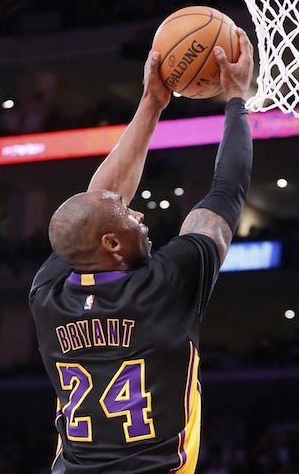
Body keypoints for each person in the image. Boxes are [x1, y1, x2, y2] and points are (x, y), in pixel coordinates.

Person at [29, 27, 254, 473]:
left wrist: (152, 104)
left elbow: (96, 206)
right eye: (129, 215)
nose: (140, 217)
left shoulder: (48, 294)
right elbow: (227, 190)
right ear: (110, 244)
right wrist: (235, 99)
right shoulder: (168, 283)